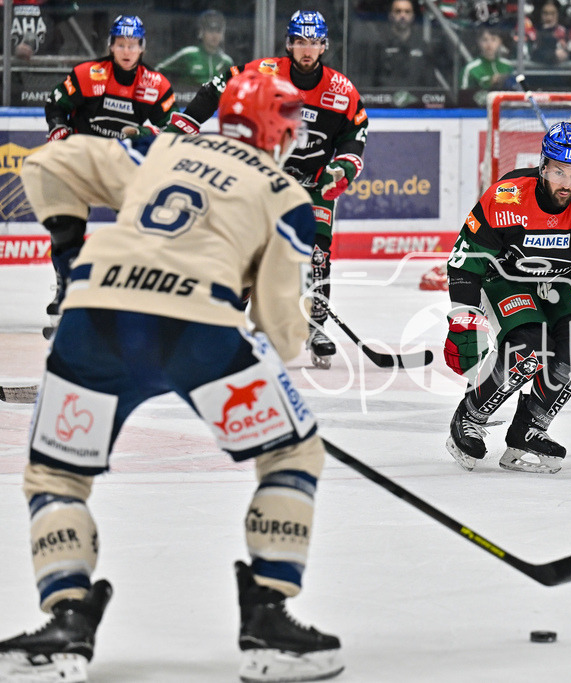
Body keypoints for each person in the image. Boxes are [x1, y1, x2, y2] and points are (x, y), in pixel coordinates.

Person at [0, 70, 344, 683]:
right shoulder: (285, 193)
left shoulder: (162, 148)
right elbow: (282, 331)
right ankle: (268, 618)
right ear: (280, 131)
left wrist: (73, 258)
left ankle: (66, 624)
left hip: (95, 317)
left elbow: (48, 164)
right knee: (292, 453)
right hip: (198, 329)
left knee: (57, 473)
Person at [444, 123, 571, 474]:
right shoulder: (507, 197)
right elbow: (466, 260)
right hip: (503, 277)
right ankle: (470, 416)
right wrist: (464, 317)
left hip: (561, 277)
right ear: (543, 166)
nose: (567, 183)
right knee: (529, 347)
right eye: (558, 172)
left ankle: (530, 427)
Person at [172, 10, 369, 370]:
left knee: (317, 255)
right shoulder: (265, 72)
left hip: (313, 184)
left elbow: (355, 132)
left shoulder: (341, 90)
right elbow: (218, 87)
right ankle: (228, 322)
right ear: (289, 44)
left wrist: (343, 167)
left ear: (324, 46)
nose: (307, 49)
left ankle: (315, 327)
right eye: (300, 41)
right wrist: (187, 122)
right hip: (265, 178)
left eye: (314, 42)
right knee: (250, 249)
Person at [40, 14, 176, 337]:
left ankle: (134, 294)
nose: (127, 51)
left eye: (133, 44)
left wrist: (144, 133)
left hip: (123, 168)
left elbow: (174, 129)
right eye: (121, 44)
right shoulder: (88, 75)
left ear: (142, 48)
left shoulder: (156, 85)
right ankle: (66, 285)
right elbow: (55, 104)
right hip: (83, 162)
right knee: (65, 221)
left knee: (142, 227)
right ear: (111, 46)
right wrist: (60, 131)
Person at [351, 0, 439, 88]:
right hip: (385, 95)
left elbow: (430, 81)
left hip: (417, 95)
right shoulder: (380, 45)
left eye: (407, 12)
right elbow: (370, 79)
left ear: (413, 16)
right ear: (391, 15)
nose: (403, 16)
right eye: (398, 11)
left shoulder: (422, 46)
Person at [155, 9, 234, 89]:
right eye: (210, 30)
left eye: (218, 31)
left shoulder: (226, 62)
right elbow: (157, 71)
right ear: (201, 32)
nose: (214, 35)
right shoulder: (188, 54)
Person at [460, 25, 514, 105]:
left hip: (505, 109)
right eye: (485, 40)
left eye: (493, 39)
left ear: (500, 42)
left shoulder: (508, 66)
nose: (489, 44)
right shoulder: (470, 68)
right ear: (478, 42)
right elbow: (462, 97)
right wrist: (489, 82)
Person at [528, 0, 571, 66]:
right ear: (540, 14)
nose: (549, 17)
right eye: (545, 13)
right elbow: (532, 54)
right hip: (537, 70)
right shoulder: (533, 32)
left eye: (552, 13)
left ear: (558, 15)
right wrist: (553, 54)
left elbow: (569, 54)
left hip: (561, 70)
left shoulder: (565, 33)